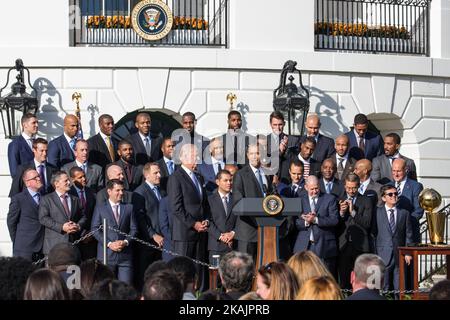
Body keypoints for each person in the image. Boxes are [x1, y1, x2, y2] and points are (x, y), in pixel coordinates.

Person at [167, 143, 210, 289]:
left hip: (200, 232)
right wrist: (193, 224)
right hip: (184, 234)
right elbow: (176, 207)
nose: (197, 158)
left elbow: (202, 203)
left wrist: (205, 220)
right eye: (194, 155)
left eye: (197, 155)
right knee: (183, 272)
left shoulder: (198, 177)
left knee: (199, 270)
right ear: (183, 157)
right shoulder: (176, 178)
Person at [91, 179, 138, 284]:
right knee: (106, 288)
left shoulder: (129, 208)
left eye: (122, 190)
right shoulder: (100, 208)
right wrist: (109, 244)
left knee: (125, 288)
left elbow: (134, 229)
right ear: (109, 191)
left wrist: (125, 242)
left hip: (125, 256)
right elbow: (94, 229)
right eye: (118, 190)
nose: (121, 193)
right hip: (106, 255)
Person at [293, 175, 339, 278]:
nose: (315, 191)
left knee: (324, 278)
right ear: (306, 187)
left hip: (324, 246)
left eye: (317, 188)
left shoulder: (329, 199)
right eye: (312, 189)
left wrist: (315, 220)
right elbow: (295, 222)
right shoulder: (300, 200)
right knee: (302, 277)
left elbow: (334, 220)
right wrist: (306, 222)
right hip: (305, 245)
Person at [232, 143, 273, 257]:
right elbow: (238, 203)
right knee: (245, 270)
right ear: (247, 155)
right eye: (252, 153)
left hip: (265, 232)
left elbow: (271, 198)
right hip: (247, 233)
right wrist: (257, 220)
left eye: (258, 153)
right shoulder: (240, 175)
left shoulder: (266, 174)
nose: (255, 156)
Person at [372, 185, 413, 291]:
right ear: (383, 198)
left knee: (399, 287)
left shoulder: (404, 213)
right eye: (390, 194)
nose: (394, 196)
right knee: (383, 287)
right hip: (382, 254)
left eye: (395, 194)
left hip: (399, 255)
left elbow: (408, 234)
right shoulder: (376, 212)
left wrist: (408, 252)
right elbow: (373, 234)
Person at [337, 173, 373, 290]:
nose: (351, 191)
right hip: (344, 244)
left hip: (361, 246)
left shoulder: (366, 201)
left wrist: (353, 212)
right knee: (344, 279)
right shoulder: (339, 200)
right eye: (348, 188)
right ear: (344, 186)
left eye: (354, 188)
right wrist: (342, 213)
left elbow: (367, 224)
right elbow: (334, 223)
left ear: (359, 186)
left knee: (361, 279)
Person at [133, 162, 165, 288]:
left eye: (159, 172)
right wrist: (153, 235)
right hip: (147, 242)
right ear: (146, 175)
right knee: (146, 275)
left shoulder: (162, 190)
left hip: (163, 239)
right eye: (155, 173)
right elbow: (140, 218)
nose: (159, 175)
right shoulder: (139, 192)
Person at [39, 171, 86, 255]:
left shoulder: (75, 199)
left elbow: (83, 216)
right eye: (65, 181)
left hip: (72, 245)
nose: (69, 183)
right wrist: (62, 227)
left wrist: (78, 225)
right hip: (54, 246)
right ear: (57, 184)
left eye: (68, 180)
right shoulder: (47, 199)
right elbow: (43, 218)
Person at [7, 169, 44, 261]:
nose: (39, 179)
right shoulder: (18, 199)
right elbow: (11, 222)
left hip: (42, 248)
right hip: (24, 249)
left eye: (38, 176)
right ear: (27, 183)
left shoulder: (45, 198)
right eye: (35, 178)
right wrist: (17, 242)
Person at [391, 158, 424, 244]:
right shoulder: (388, 186)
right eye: (393, 171)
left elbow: (418, 211)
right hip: (391, 235)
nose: (395, 174)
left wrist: (403, 223)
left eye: (398, 171)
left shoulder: (416, 186)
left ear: (406, 170)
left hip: (409, 234)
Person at [68, 167, 97, 260]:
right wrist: (81, 232)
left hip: (90, 236)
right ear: (72, 179)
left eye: (84, 176)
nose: (84, 179)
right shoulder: (68, 193)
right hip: (74, 236)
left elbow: (94, 214)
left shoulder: (92, 192)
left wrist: (90, 232)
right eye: (80, 177)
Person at [207, 170, 236, 263]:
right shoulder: (209, 200)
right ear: (217, 182)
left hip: (233, 246)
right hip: (216, 246)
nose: (229, 183)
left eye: (230, 180)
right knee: (215, 276)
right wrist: (221, 236)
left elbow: (240, 220)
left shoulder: (237, 199)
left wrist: (232, 233)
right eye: (225, 180)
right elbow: (208, 221)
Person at [8, 113, 38, 178]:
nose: (37, 125)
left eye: (37, 122)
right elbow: (14, 172)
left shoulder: (37, 142)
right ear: (25, 125)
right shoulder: (15, 144)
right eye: (33, 123)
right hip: (24, 186)